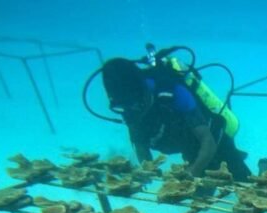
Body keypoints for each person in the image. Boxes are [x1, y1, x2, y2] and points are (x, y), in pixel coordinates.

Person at [101, 57, 252, 180]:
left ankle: (265, 165)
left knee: (242, 180)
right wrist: (148, 171)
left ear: (144, 90)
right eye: (123, 107)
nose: (132, 111)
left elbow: (208, 142)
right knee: (200, 193)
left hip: (213, 138)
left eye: (136, 104)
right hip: (186, 145)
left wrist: (191, 174)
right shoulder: (129, 108)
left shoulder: (175, 92)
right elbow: (140, 143)